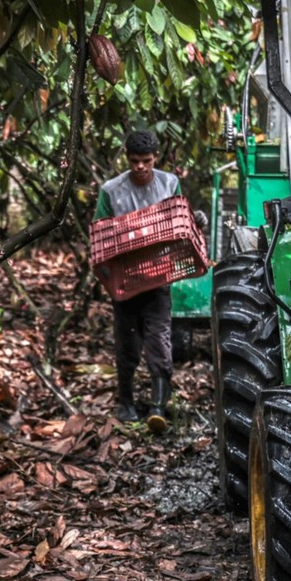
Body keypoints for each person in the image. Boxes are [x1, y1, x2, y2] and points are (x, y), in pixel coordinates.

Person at [94, 129, 181, 431]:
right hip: (126, 281)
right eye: (134, 161)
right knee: (127, 343)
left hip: (158, 277)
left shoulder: (169, 183)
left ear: (155, 158)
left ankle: (158, 405)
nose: (140, 167)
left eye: (145, 161)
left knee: (159, 339)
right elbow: (99, 231)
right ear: (127, 159)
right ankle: (126, 402)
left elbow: (181, 218)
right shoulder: (112, 190)